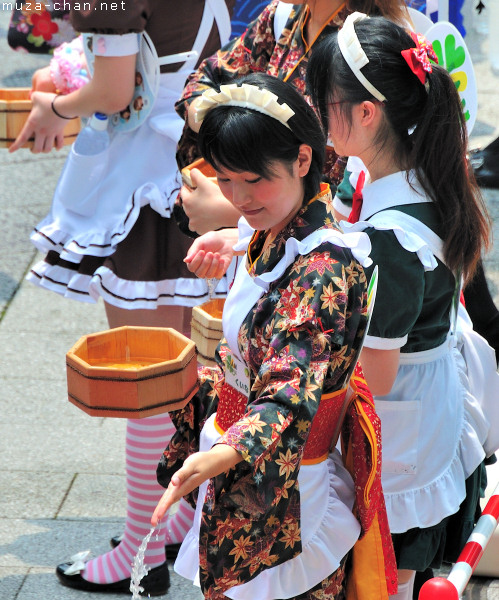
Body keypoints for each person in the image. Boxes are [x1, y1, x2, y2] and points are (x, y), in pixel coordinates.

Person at [9, 1, 237, 595]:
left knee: (147, 383)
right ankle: (176, 519)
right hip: (193, 168)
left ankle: (144, 546)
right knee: (182, 375)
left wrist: (53, 107)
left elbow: (112, 94)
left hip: (145, 183)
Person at [151, 72, 397, 600]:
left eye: (253, 180)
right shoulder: (272, 230)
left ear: (303, 160)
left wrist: (221, 453)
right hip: (249, 461)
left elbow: (289, 388)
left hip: (286, 480)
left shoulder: (322, 269)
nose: (238, 197)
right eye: (227, 180)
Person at [306, 12, 498, 600]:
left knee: (384, 580)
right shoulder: (420, 172)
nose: (317, 112)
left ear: (367, 113)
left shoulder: (394, 239)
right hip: (426, 407)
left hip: (399, 427)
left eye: (324, 101)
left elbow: (377, 373)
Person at [172, 0, 411, 237]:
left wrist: (234, 212)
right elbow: (205, 79)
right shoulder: (281, 16)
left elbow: (355, 190)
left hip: (317, 244)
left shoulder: (367, 48)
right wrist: (225, 128)